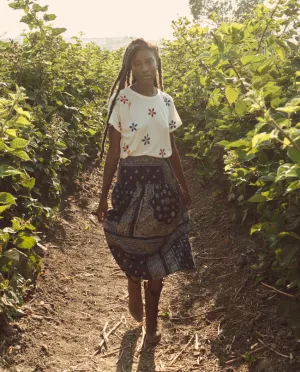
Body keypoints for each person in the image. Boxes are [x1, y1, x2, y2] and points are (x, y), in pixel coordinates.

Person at [96, 38, 195, 345]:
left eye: (149, 61)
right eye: (137, 63)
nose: (144, 68)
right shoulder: (121, 101)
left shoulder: (166, 101)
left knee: (161, 252)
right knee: (133, 243)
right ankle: (132, 280)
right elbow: (113, 152)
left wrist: (183, 185)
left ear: (157, 63)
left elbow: (172, 148)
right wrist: (101, 197)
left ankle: (151, 326)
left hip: (163, 186)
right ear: (129, 66)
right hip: (130, 184)